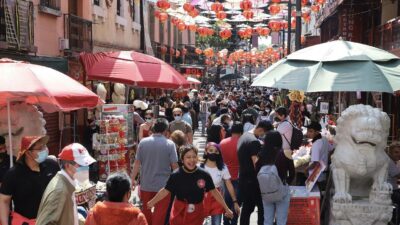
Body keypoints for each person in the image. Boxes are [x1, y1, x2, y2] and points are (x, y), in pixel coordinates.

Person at [147, 145, 233, 225]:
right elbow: (165, 191)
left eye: (194, 157)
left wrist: (226, 208)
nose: (192, 160)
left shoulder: (204, 174)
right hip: (179, 212)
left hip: (197, 212)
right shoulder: (176, 175)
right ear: (182, 159)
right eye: (188, 157)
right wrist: (152, 202)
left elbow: (214, 192)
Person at [0, 136, 59, 225]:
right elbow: (4, 201)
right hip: (26, 221)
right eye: (40, 148)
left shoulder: (52, 165)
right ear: (28, 153)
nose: (45, 150)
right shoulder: (13, 174)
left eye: (45, 146)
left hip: (52, 220)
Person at [131, 118, 179, 225]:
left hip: (145, 184)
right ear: (166, 130)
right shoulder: (170, 144)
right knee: (160, 215)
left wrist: (132, 179)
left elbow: (137, 163)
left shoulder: (143, 142)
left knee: (146, 212)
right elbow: (175, 166)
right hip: (164, 187)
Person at [36, 143, 96, 225]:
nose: (87, 168)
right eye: (82, 165)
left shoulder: (68, 183)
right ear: (68, 165)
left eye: (88, 164)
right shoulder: (60, 191)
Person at [237, 120, 273, 225]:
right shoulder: (254, 142)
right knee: (261, 208)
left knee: (247, 207)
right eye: (265, 134)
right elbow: (256, 164)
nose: (264, 136)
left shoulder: (244, 136)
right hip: (252, 180)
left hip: (243, 177)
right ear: (261, 130)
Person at [256, 131, 295, 225]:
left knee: (267, 220)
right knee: (281, 220)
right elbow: (292, 173)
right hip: (282, 190)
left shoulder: (261, 155)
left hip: (266, 191)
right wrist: (285, 183)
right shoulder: (286, 153)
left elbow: (257, 172)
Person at [202, 142, 240, 225]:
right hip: (201, 198)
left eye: (216, 151)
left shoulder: (222, 167)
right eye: (211, 150)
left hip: (217, 198)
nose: (213, 153)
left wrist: (235, 201)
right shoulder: (199, 167)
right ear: (206, 152)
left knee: (216, 223)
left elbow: (228, 184)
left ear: (219, 153)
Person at [220, 122, 243, 225]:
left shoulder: (222, 142)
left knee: (226, 202)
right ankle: (233, 222)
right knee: (236, 202)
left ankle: (225, 221)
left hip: (225, 177)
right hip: (238, 177)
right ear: (241, 132)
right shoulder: (243, 143)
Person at [305, 121, 333, 191]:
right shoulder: (324, 139)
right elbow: (331, 149)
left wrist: (306, 169)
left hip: (316, 175)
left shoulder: (316, 144)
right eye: (308, 131)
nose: (308, 133)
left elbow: (315, 162)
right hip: (323, 173)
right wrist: (326, 160)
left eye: (311, 131)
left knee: (316, 193)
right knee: (320, 192)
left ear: (317, 132)